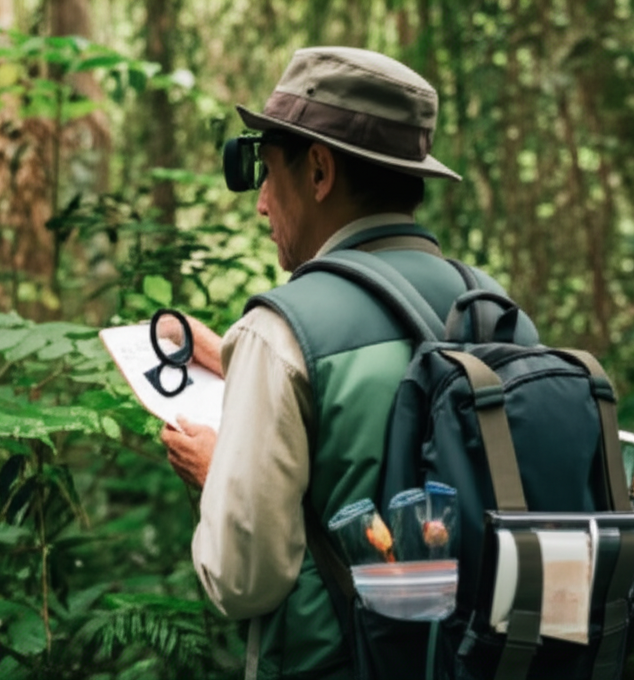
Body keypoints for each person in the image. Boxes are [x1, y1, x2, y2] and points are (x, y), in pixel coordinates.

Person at [162, 46, 491, 680]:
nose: (261, 202)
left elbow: (243, 581)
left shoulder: (282, 332)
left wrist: (217, 477)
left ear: (318, 171)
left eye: (267, 169)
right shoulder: (494, 308)